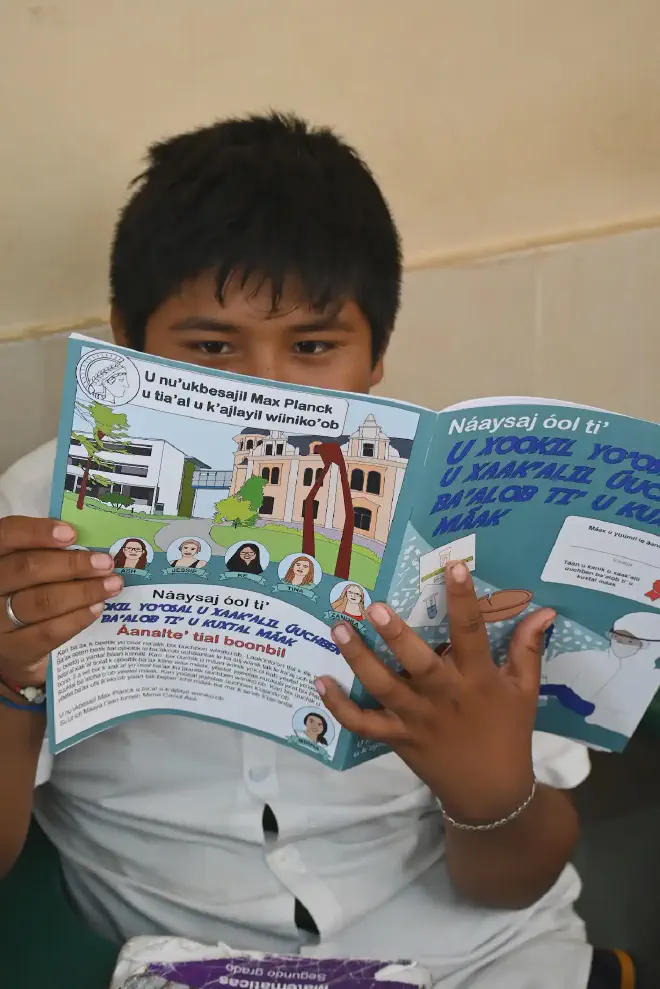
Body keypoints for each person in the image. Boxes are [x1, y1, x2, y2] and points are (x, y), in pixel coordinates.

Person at [0, 112, 625, 988]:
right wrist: (9, 685)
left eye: (314, 346)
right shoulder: (37, 517)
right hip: (192, 958)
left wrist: (487, 792)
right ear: (128, 339)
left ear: (375, 360)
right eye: (212, 346)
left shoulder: (461, 519)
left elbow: (510, 886)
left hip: (476, 954)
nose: (263, 391)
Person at [542, 611, 660, 737]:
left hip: (584, 739)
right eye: (616, 637)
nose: (619, 644)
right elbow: (543, 678)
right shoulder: (583, 658)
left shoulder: (651, 680)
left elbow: (629, 723)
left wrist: (590, 710)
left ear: (652, 647)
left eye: (630, 641)